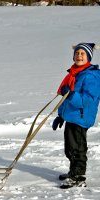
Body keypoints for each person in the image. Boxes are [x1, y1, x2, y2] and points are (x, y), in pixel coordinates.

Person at [52, 43, 100, 189]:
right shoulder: (74, 74)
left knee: (77, 148)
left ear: (88, 57)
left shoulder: (92, 76)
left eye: (82, 54)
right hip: (71, 117)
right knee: (69, 148)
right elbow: (65, 99)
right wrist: (61, 115)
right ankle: (73, 171)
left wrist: (72, 94)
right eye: (77, 53)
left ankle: (78, 176)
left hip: (80, 117)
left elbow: (88, 100)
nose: (79, 56)